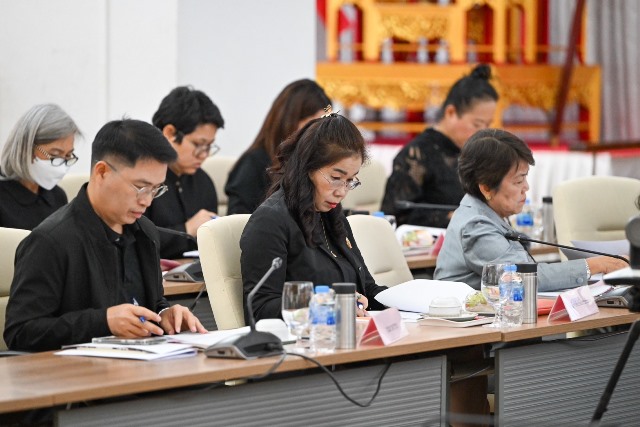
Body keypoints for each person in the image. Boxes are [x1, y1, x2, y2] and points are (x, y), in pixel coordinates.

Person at [4, 119, 207, 352]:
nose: (147, 200)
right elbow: (20, 332)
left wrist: (164, 314)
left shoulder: (145, 232)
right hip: (78, 370)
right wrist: (103, 322)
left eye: (156, 189)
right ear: (102, 172)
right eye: (140, 187)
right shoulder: (50, 241)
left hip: (141, 363)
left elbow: (151, 303)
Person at [434, 128, 627, 290]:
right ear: (486, 188)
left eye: (525, 178)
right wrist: (597, 264)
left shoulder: (487, 210)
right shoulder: (475, 225)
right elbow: (523, 277)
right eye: (518, 181)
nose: (526, 187)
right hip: (471, 322)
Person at [240, 111, 386, 323]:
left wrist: (410, 299)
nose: (342, 192)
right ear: (308, 167)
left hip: (346, 334)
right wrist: (327, 304)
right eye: (336, 178)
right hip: (301, 340)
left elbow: (366, 288)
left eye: (350, 181)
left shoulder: (333, 215)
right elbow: (260, 308)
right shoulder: (270, 221)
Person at [381, 64, 498, 228]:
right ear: (451, 113)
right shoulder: (416, 154)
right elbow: (395, 215)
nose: (483, 132)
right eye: (477, 124)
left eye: (488, 125)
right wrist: (451, 216)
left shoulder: (474, 154)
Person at [225, 79, 330, 215]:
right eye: (314, 125)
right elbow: (237, 222)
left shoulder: (313, 163)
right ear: (290, 121)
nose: (320, 133)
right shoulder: (253, 163)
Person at [145, 86, 225, 259]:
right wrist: (187, 230)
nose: (204, 155)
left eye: (209, 146)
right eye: (198, 144)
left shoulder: (203, 182)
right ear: (170, 133)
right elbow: (135, 242)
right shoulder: (141, 180)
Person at [0, 104, 80, 230]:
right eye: (55, 154)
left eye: (68, 155)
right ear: (26, 148)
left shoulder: (58, 197)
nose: (62, 165)